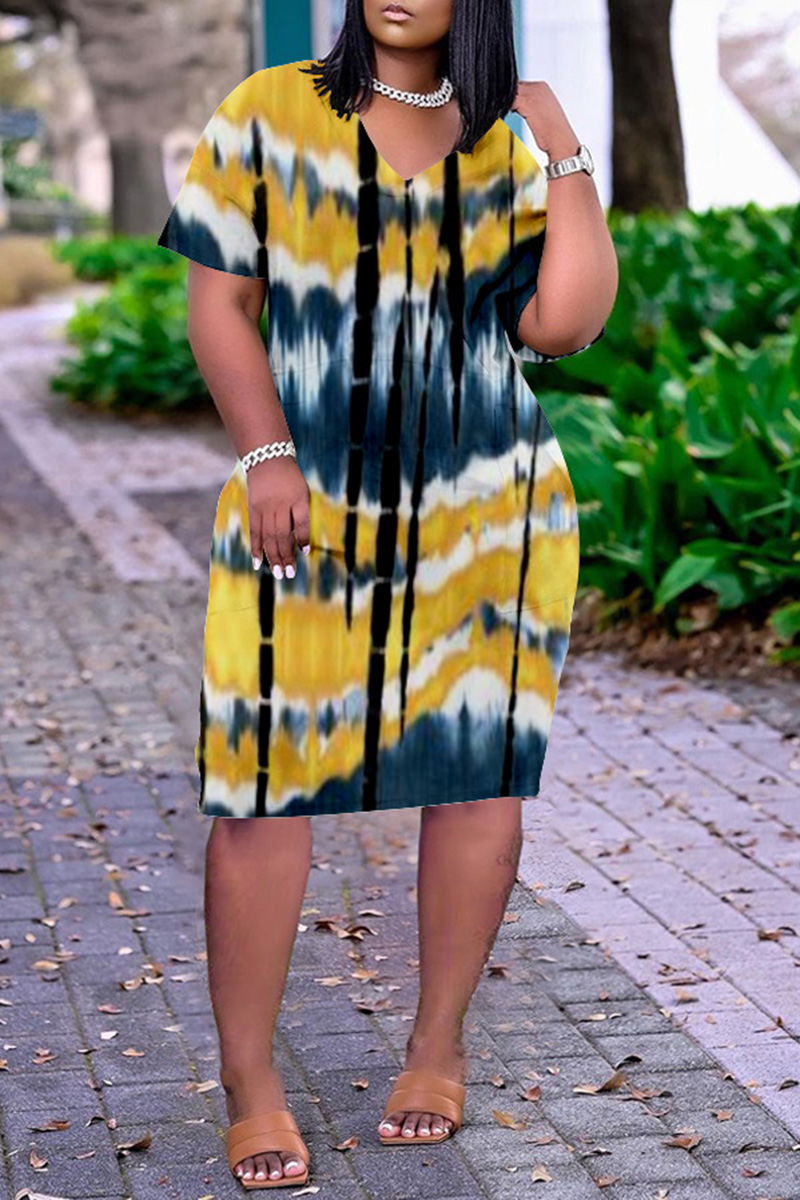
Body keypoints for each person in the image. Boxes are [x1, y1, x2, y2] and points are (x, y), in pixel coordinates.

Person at [156, 0, 617, 1188]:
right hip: (300, 505)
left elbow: (560, 325)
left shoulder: (502, 140)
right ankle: (249, 1081)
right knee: (262, 789)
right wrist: (265, 453)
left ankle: (436, 1045)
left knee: (474, 780)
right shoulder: (269, 112)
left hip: (487, 514)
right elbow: (219, 301)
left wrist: (561, 146)